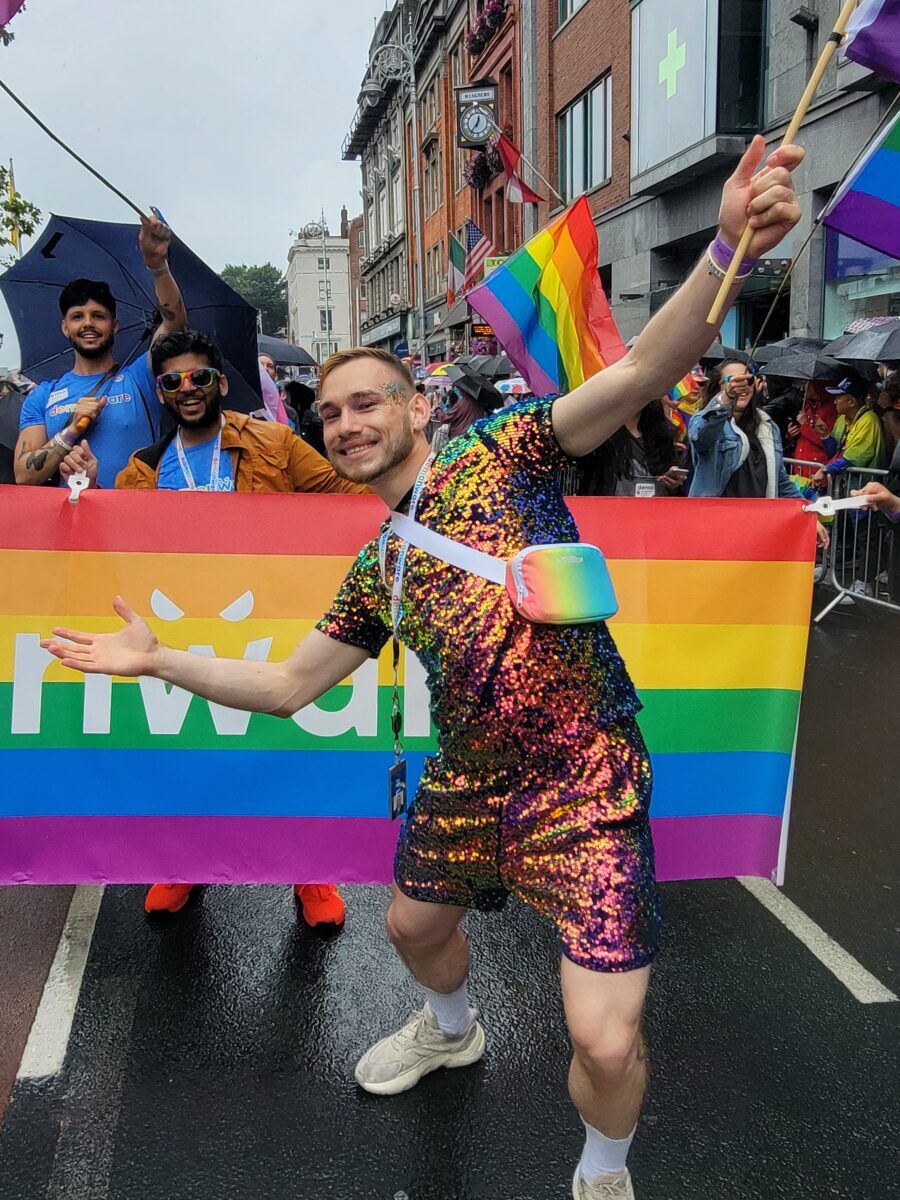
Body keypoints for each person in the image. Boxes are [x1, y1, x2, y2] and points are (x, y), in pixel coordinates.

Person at [41, 136, 805, 1200]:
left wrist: (724, 249)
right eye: (330, 411)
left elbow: (642, 369)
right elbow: (286, 686)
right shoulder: (379, 567)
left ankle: (603, 1170)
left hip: (588, 785)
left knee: (607, 1045)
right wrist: (160, 656)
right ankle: (452, 1031)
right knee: (408, 925)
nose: (345, 423)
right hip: (469, 779)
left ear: (411, 409)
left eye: (366, 403)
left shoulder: (507, 449)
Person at [59, 328, 368, 927]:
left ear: (220, 382)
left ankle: (311, 872)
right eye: (172, 381)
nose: (187, 389)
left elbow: (349, 498)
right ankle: (185, 860)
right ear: (161, 392)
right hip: (185, 633)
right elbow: (115, 549)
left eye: (199, 376)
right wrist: (89, 489)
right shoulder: (142, 470)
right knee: (191, 748)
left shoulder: (275, 443)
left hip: (272, 618)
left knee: (286, 746)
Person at [14, 215, 187, 489]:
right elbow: (24, 476)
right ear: (64, 327)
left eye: (98, 316)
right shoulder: (42, 396)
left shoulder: (140, 377)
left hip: (137, 519)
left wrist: (156, 266)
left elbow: (175, 324)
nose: (88, 324)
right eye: (77, 317)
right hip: (74, 523)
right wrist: (72, 431)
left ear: (115, 325)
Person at [689, 362, 803, 499]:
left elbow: (781, 482)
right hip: (718, 516)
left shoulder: (768, 426)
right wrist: (726, 397)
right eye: (733, 381)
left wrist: (807, 510)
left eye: (748, 381)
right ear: (719, 386)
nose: (742, 387)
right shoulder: (706, 421)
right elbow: (700, 437)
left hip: (758, 516)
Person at [576, 399, 685, 496]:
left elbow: (667, 472)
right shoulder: (599, 430)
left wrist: (672, 480)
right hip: (607, 511)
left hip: (651, 512)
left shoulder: (660, 432)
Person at [810, 374, 886, 487]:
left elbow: (855, 457)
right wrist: (825, 435)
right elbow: (834, 453)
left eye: (838, 397)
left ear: (851, 402)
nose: (835, 402)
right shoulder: (841, 419)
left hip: (864, 488)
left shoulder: (869, 420)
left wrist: (826, 470)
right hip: (844, 486)